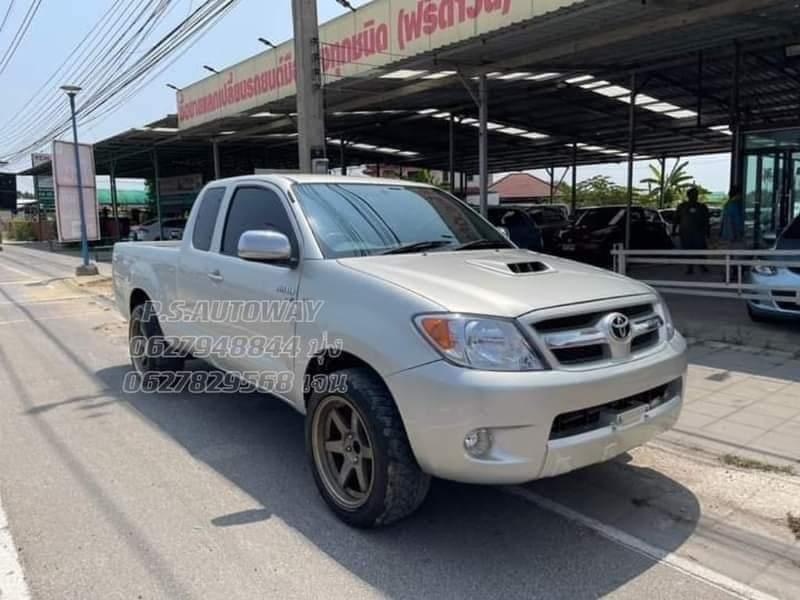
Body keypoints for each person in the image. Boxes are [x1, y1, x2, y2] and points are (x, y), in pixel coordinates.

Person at [674, 187, 710, 274]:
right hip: (686, 233)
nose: (694, 196)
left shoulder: (702, 207)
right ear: (688, 196)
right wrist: (673, 230)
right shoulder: (682, 206)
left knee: (701, 250)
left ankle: (702, 265)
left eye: (695, 195)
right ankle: (690, 267)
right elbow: (676, 219)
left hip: (699, 233)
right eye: (692, 195)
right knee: (688, 250)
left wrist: (708, 231)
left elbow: (706, 220)